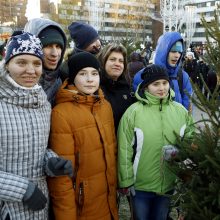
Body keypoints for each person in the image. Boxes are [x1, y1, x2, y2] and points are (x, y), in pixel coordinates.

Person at [0, 32, 72, 219]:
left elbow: (38, 150)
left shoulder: (43, 103)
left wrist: (51, 161)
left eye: (37, 63)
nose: (31, 71)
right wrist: (23, 190)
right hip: (8, 208)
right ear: (7, 64)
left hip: (40, 204)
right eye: (21, 62)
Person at [47, 52, 118, 220]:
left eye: (94, 73)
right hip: (82, 206)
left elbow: (112, 152)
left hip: (107, 201)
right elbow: (61, 178)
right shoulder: (61, 114)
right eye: (82, 73)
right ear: (72, 78)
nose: (90, 79)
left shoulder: (105, 106)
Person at [118, 64, 194, 220]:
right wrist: (125, 180)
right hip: (140, 186)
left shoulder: (180, 111)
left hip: (167, 184)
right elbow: (124, 148)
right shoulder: (133, 112)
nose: (162, 88)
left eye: (165, 83)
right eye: (156, 84)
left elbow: (190, 138)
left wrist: (182, 154)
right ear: (146, 87)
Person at [133, 32, 193, 112]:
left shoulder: (183, 77)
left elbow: (187, 113)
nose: (177, 55)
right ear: (163, 51)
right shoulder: (142, 75)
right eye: (173, 51)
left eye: (179, 51)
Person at [24, 18, 67, 106]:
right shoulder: (11, 81)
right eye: (47, 46)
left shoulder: (65, 81)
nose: (55, 53)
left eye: (58, 46)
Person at [97, 43, 135, 131]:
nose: (117, 64)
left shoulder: (127, 89)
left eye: (121, 61)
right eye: (112, 59)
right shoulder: (95, 89)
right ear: (103, 62)